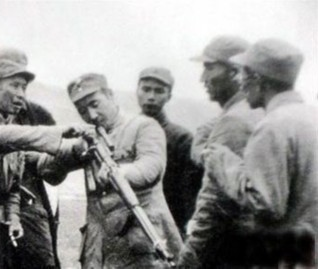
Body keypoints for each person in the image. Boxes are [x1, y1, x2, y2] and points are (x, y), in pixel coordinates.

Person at [0, 59, 85, 268]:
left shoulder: (13, 130)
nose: (21, 94)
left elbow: (14, 184)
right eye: (14, 85)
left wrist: (14, 217)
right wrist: (59, 131)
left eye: (24, 88)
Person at [203, 38, 316, 267]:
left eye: (244, 74)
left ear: (258, 79)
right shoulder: (310, 117)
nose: (241, 83)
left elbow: (266, 203)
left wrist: (223, 162)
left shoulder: (272, 125)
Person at [68, 73, 182, 268]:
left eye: (95, 104)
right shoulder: (85, 141)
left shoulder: (143, 126)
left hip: (144, 244)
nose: (91, 115)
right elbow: (50, 171)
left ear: (110, 95)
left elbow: (151, 167)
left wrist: (122, 172)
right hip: (101, 251)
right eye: (82, 111)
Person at [178, 35, 265, 267]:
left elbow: (213, 205)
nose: (202, 78)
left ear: (235, 71)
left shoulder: (234, 121)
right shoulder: (255, 111)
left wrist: (188, 259)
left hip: (231, 252)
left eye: (209, 67)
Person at [135, 67, 203, 236]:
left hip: (167, 227)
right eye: (146, 89)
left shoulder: (182, 139)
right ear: (137, 91)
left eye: (159, 91)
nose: (151, 97)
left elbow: (190, 195)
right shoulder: (125, 131)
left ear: (169, 96)